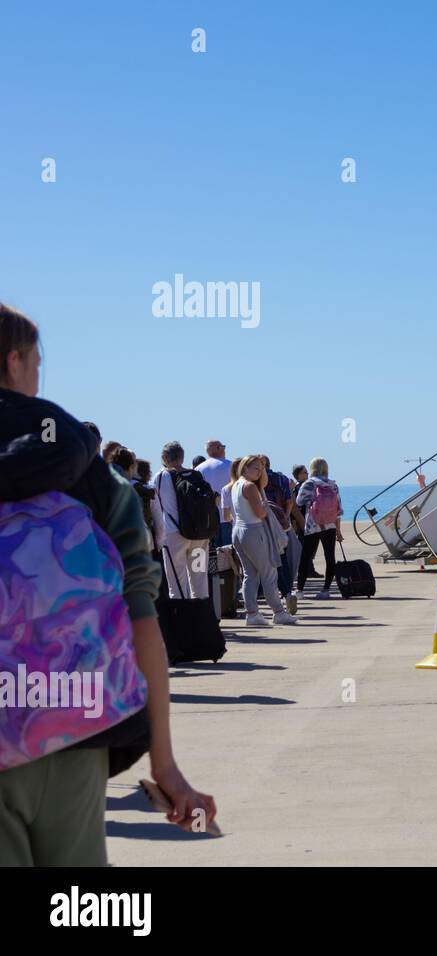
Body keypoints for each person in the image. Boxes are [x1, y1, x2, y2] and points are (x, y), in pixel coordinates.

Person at [0, 305, 215, 864]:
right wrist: (162, 763)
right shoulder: (90, 474)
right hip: (69, 731)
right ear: (15, 360)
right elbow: (139, 615)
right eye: (37, 364)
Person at [230, 455, 297, 627]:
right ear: (245, 468)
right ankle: (279, 612)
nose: (260, 473)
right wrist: (266, 508)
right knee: (269, 574)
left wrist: (261, 466)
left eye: (261, 470)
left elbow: (264, 483)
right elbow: (260, 513)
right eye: (256, 469)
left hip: (238, 530)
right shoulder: (250, 486)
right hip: (254, 531)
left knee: (250, 575)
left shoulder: (236, 484)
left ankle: (252, 613)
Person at [151, 441, 211, 600]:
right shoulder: (196, 475)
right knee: (200, 579)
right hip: (199, 536)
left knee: (177, 582)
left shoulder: (161, 476)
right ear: (182, 457)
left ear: (164, 457)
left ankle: (182, 619)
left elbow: (157, 506)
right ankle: (201, 615)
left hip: (174, 535)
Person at [259, 455, 301, 615]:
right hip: (281, 524)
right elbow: (290, 501)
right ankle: (287, 592)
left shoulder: (255, 482)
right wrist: (284, 517)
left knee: (263, 565)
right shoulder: (281, 478)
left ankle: (268, 599)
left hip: (262, 525)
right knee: (283, 559)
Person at [296, 457, 343, 598]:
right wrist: (338, 531)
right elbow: (338, 510)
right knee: (330, 557)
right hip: (330, 525)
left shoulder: (309, 483)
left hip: (313, 525)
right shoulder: (333, 484)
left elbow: (299, 501)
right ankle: (326, 590)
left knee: (306, 557)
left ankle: (299, 591)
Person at [196, 440, 233, 548]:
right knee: (232, 554)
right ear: (218, 448)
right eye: (223, 446)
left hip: (210, 519)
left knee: (217, 556)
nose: (225, 449)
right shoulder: (230, 465)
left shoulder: (198, 469)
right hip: (229, 517)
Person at [291, 464, 321, 579]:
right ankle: (308, 570)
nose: (307, 474)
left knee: (309, 546)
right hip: (303, 521)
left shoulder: (303, 486)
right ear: (298, 475)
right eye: (305, 472)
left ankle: (310, 569)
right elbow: (295, 507)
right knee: (307, 546)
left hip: (308, 520)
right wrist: (299, 522)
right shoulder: (300, 488)